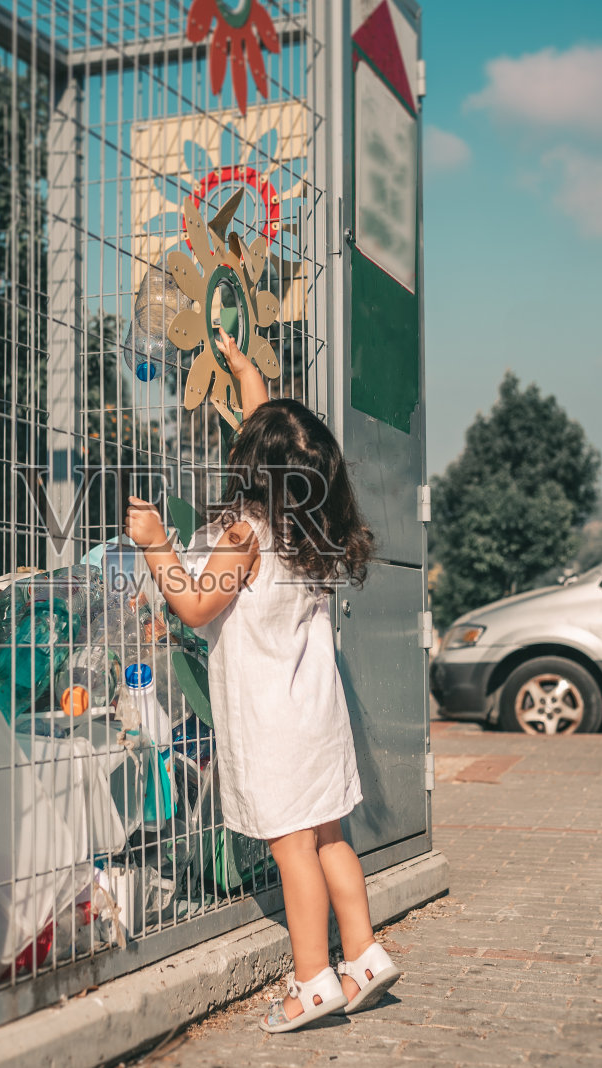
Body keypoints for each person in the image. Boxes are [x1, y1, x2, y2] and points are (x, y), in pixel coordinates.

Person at [124, 332, 402, 1033]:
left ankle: (313, 981)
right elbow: (281, 449)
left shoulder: (243, 536)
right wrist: (247, 374)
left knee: (292, 851)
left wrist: (157, 542)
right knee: (329, 835)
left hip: (272, 721)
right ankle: (364, 954)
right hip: (317, 711)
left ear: (251, 468)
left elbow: (193, 605)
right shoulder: (313, 521)